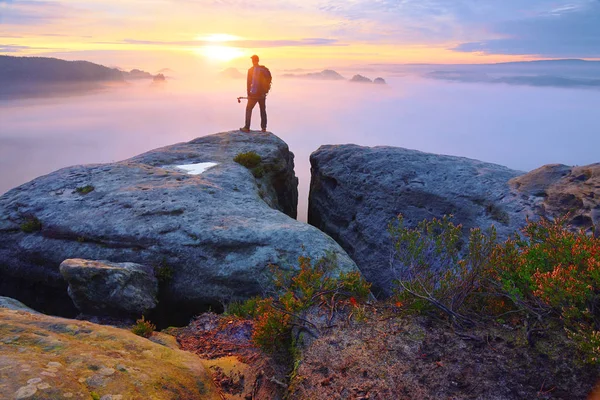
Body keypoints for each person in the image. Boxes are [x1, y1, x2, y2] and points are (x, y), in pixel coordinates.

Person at [240, 55, 270, 133]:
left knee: (248, 109)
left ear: (252, 61)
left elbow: (248, 83)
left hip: (254, 94)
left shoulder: (250, 70)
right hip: (262, 94)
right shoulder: (264, 69)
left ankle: (247, 127)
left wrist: (249, 94)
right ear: (258, 60)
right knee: (262, 110)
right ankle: (264, 128)